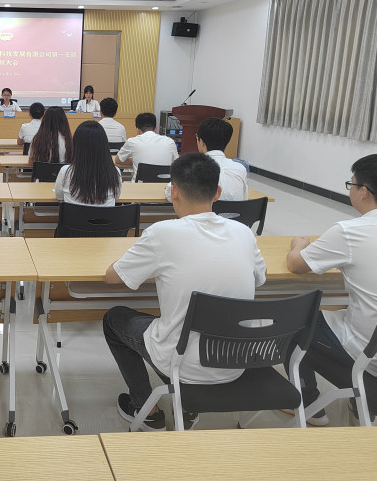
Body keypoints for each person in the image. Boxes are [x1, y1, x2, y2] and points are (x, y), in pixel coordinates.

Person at [103, 153, 266, 431]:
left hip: (182, 364)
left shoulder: (161, 233)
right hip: (236, 361)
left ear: (174, 191)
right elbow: (260, 279)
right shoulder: (243, 232)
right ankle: (187, 408)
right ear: (217, 192)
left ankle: (146, 409)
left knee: (114, 319)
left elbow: (113, 277)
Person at [284, 153, 377, 426]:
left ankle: (308, 403)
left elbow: (296, 265)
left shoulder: (350, 231)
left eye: (351, 184)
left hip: (375, 362)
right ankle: (357, 406)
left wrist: (298, 245)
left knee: (295, 319)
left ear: (364, 191)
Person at [165, 117, 246, 201]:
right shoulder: (240, 169)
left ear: (201, 142)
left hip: (203, 209)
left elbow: (171, 193)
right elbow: (244, 198)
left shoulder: (192, 167)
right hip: (236, 210)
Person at [54, 121, 122, 206]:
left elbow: (59, 196)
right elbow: (116, 197)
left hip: (74, 215)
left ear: (76, 145)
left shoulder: (65, 171)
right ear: (104, 146)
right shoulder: (115, 172)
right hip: (105, 215)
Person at [117, 113, 178, 180]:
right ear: (155, 129)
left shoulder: (132, 141)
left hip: (140, 185)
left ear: (138, 130)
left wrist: (134, 160)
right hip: (164, 185)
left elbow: (118, 160)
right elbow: (177, 163)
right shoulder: (170, 142)